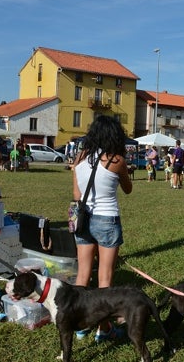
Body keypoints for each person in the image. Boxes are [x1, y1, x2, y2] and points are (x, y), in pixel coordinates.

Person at [72, 115, 132, 342]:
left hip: (84, 219)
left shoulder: (79, 159)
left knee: (83, 275)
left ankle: (79, 325)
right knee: (105, 279)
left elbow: (77, 195)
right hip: (107, 219)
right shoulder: (117, 161)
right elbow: (128, 189)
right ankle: (104, 328)